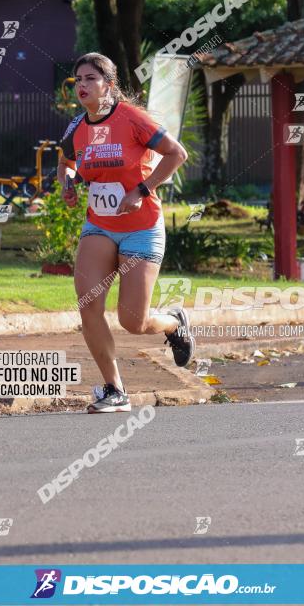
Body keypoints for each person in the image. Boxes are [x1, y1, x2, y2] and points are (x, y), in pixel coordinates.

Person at [57, 52, 195, 413]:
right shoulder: (77, 128)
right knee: (88, 305)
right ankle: (113, 389)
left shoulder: (132, 119)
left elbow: (176, 154)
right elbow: (66, 163)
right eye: (78, 80)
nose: (82, 86)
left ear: (109, 85)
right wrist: (67, 184)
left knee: (133, 321)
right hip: (100, 226)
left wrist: (143, 190)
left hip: (142, 228)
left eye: (90, 78)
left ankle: (174, 321)